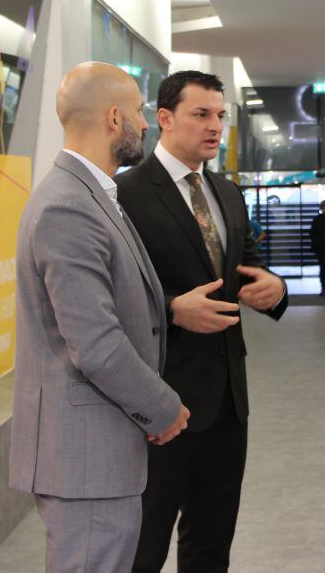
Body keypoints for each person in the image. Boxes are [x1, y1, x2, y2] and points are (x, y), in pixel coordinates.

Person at [9, 63, 188, 572]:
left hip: (97, 454)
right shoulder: (68, 206)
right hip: (86, 459)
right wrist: (162, 407)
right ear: (114, 118)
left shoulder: (91, 195)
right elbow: (96, 343)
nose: (145, 123)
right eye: (136, 111)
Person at [115, 70, 288, 573]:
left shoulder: (227, 193)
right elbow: (109, 295)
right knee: (144, 545)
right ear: (164, 119)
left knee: (211, 544)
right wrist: (171, 310)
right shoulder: (125, 195)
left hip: (228, 403)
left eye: (220, 116)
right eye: (201, 114)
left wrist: (275, 290)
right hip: (160, 399)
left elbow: (248, 268)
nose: (215, 126)